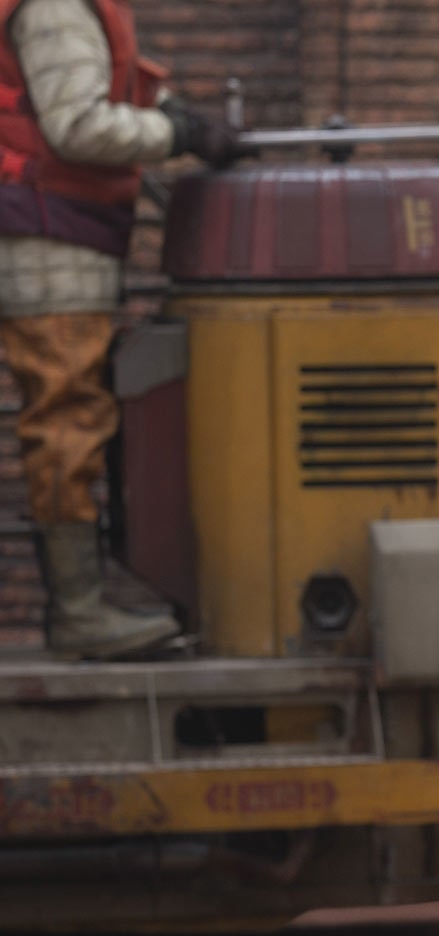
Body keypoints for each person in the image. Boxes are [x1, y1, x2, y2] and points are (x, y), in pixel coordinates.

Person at [0, 0, 237, 657]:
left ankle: (82, 607)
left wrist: (174, 116)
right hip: (50, 238)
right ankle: (79, 614)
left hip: (56, 231)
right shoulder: (55, 7)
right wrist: (179, 134)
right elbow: (77, 126)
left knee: (70, 414)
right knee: (67, 418)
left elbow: (85, 92)